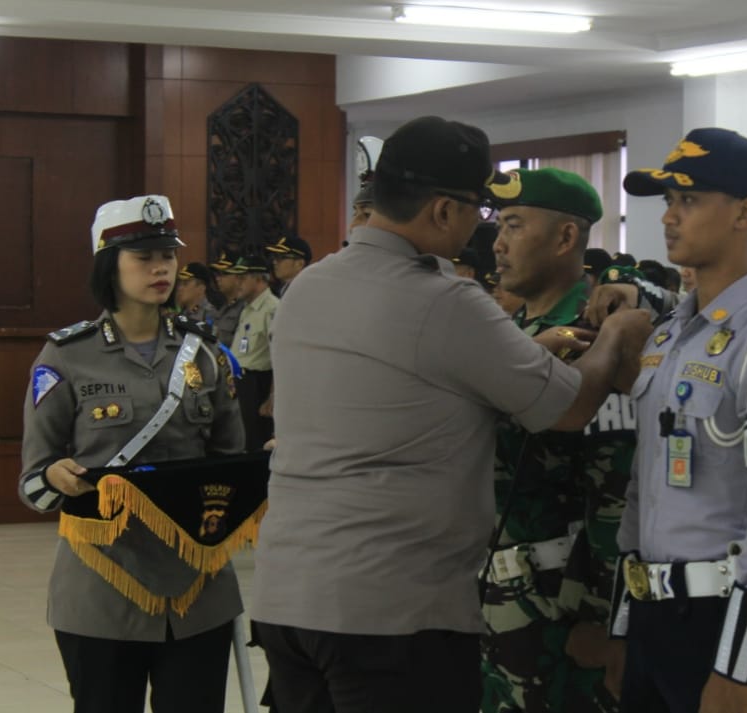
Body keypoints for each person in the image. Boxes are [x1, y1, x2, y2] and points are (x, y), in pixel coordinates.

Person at [250, 116, 652, 713]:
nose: (485, 234)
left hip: (288, 599)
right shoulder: (443, 300)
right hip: (392, 615)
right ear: (442, 211)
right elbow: (570, 407)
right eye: (481, 213)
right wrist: (617, 335)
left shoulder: (310, 286)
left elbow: (407, 383)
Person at [610, 127, 747, 713]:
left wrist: (737, 666)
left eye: (689, 201)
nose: (670, 218)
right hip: (655, 619)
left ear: (744, 213)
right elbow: (643, 486)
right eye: (668, 203)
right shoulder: (670, 335)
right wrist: (624, 625)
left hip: (726, 624)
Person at [17, 194, 244, 713]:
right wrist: (55, 476)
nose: (161, 267)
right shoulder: (67, 356)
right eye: (143, 257)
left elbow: (230, 460)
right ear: (108, 265)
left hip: (196, 591)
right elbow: (33, 480)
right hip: (102, 586)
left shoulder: (203, 353)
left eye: (167, 255)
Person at [481, 167, 632, 713]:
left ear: (567, 237)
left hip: (555, 603)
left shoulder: (595, 341)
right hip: (494, 592)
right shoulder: (514, 333)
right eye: (500, 226)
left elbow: (616, 490)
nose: (498, 243)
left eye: (515, 225)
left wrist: (600, 615)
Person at [230, 255, 278, 451]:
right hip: (241, 383)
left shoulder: (272, 309)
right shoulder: (248, 308)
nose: (237, 283)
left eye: (242, 278)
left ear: (259, 279)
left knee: (256, 442)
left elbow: (279, 358)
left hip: (259, 385)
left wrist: (273, 396)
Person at [208, 251, 245, 347]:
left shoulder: (244, 307)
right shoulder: (223, 307)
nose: (217, 278)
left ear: (237, 277)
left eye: (223, 274)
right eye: (217, 274)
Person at [175, 262, 223, 328]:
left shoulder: (209, 314)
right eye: (180, 284)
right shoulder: (182, 314)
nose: (180, 288)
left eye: (185, 283)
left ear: (201, 287)